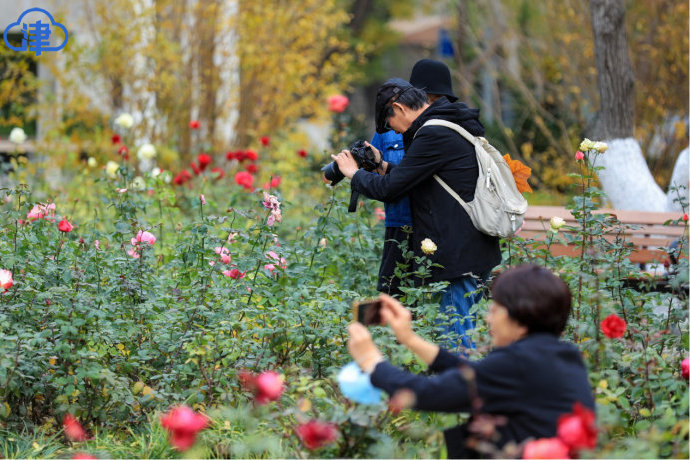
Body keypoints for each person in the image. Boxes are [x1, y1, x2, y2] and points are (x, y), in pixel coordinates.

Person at [346, 264, 596, 458]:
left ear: (520, 320)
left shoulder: (517, 363)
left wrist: (370, 360)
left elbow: (428, 394)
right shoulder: (560, 356)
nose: (488, 319)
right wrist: (410, 339)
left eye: (495, 310)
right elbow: (475, 378)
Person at [332, 78, 501, 351]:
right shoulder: (446, 123)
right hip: (470, 248)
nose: (393, 132)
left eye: (389, 125)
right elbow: (414, 177)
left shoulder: (432, 132)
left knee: (454, 340)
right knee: (456, 334)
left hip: (459, 255)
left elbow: (390, 190)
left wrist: (354, 174)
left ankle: (459, 390)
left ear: (398, 108)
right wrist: (381, 164)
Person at [371, 59, 461, 298]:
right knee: (394, 296)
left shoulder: (444, 130)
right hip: (399, 221)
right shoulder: (391, 125)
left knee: (434, 296)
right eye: (428, 99)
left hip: (435, 225)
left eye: (437, 101)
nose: (429, 107)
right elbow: (389, 175)